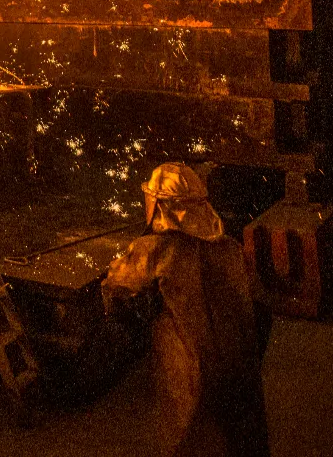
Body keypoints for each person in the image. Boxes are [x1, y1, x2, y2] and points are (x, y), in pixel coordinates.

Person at [103, 162, 270, 457]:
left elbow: (115, 288)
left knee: (191, 437)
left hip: (189, 364)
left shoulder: (154, 250)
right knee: (239, 437)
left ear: (160, 205)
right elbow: (260, 306)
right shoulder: (229, 247)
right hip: (237, 362)